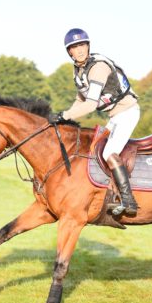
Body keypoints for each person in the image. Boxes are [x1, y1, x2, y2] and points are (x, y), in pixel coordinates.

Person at [49, 28, 140, 216]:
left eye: (82, 44)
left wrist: (66, 115)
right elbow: (80, 100)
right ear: (69, 52)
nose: (80, 49)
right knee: (94, 148)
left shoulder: (97, 67)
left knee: (108, 152)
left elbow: (90, 105)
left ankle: (128, 200)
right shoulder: (80, 71)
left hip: (127, 112)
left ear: (88, 46)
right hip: (116, 116)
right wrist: (64, 116)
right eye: (74, 47)